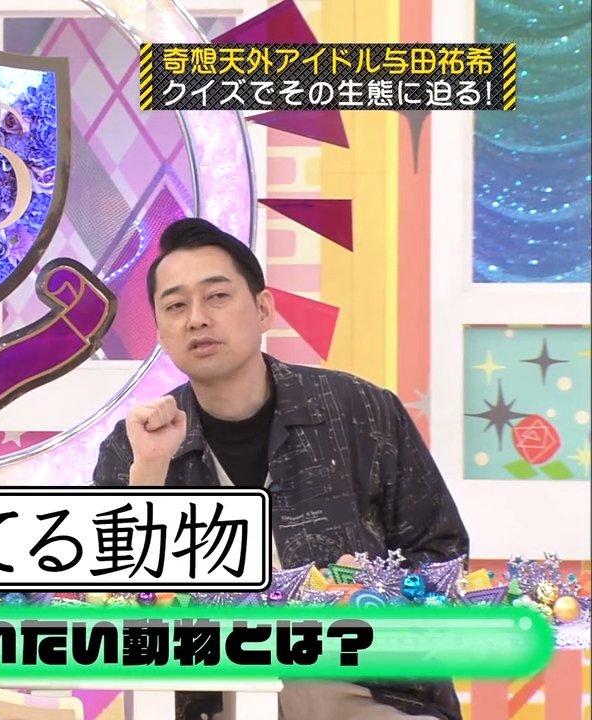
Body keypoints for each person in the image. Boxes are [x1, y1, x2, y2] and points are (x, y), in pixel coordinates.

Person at [92, 217, 468, 720]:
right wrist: (150, 475)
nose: (197, 319)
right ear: (160, 333)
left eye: (217, 296)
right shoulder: (134, 448)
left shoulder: (361, 411)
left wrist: (364, 599)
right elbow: (115, 609)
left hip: (365, 691)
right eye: (176, 306)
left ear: (264, 309)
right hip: (211, 699)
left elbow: (441, 555)